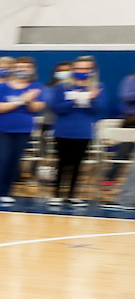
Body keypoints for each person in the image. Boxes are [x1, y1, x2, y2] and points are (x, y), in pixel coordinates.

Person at [48, 55, 108, 206]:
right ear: (73, 70)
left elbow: (97, 109)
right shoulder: (61, 87)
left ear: (92, 71)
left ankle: (72, 195)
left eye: (87, 69)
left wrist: (92, 98)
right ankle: (56, 194)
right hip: (63, 130)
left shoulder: (97, 87)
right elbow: (56, 108)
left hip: (83, 131)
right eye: (80, 68)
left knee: (78, 163)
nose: (83, 71)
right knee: (62, 162)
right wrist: (74, 100)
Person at [0, 56, 45, 206]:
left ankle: (5, 192)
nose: (22, 70)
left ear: (32, 70)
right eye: (19, 67)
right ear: (13, 69)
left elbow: (37, 108)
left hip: (23, 129)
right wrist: (21, 100)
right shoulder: (3, 87)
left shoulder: (37, 87)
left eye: (26, 68)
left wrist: (29, 100)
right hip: (2, 129)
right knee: (0, 159)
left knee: (14, 160)